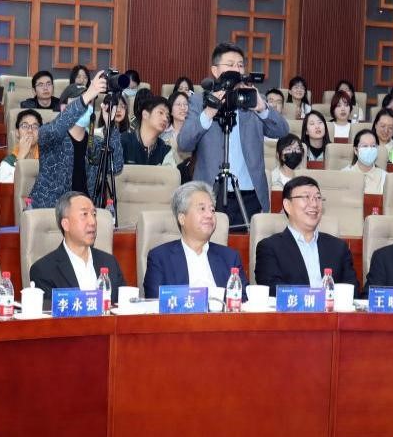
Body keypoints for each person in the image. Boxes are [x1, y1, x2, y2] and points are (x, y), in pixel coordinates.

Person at [177, 43, 288, 228]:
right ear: (215, 70)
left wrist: (262, 109)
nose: (236, 70)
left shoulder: (252, 98)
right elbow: (184, 143)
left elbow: (282, 131)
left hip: (250, 193)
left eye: (240, 65)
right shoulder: (199, 100)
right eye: (230, 64)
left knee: (247, 243)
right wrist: (209, 112)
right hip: (210, 194)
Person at [26, 72, 123, 209]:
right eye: (80, 100)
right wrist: (88, 94)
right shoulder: (48, 134)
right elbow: (57, 128)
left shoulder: (93, 143)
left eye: (90, 102)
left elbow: (116, 166)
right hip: (50, 211)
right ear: (63, 108)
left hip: (84, 212)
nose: (86, 105)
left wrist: (110, 126)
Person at [254, 175, 358, 294]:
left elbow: (352, 292)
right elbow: (273, 291)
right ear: (287, 205)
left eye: (318, 198)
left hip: (332, 306)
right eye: (306, 197)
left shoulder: (338, 247)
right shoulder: (270, 247)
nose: (314, 204)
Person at [141, 182, 244, 298]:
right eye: (202, 209)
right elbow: (155, 301)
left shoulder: (230, 258)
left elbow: (244, 301)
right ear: (182, 219)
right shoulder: (160, 257)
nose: (209, 215)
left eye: (212, 210)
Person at [27, 191, 126, 296]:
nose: (92, 222)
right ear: (66, 224)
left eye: (94, 214)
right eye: (84, 214)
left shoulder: (110, 263)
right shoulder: (44, 270)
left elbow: (122, 304)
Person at [121, 95, 170, 165]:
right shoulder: (123, 141)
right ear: (145, 114)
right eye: (160, 113)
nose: (165, 119)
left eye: (167, 116)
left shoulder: (165, 150)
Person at [0, 109, 40, 183]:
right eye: (25, 126)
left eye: (35, 127)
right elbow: (7, 188)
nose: (30, 131)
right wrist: (21, 156)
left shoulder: (48, 159)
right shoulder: (7, 163)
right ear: (17, 132)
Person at [342, 128, 387, 195]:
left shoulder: (385, 176)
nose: (369, 149)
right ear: (355, 150)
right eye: (365, 146)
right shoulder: (344, 174)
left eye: (373, 146)